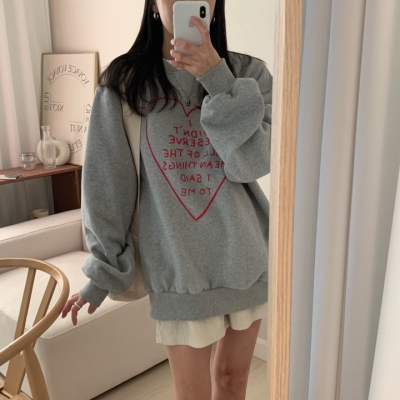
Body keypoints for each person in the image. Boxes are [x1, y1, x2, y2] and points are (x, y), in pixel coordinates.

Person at [62, 0, 272, 399]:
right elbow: (108, 184)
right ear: (154, 5)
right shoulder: (124, 84)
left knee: (233, 382)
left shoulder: (249, 75)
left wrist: (216, 77)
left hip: (246, 258)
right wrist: (103, 271)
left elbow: (252, 163)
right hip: (179, 270)